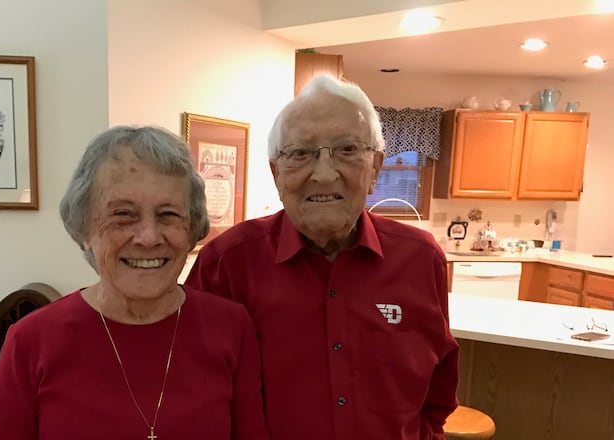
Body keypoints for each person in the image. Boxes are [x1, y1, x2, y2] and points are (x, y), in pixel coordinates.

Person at [186, 74, 459, 439]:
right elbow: (195, 394)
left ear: (376, 167)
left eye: (347, 150)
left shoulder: (422, 260)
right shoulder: (226, 264)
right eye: (300, 154)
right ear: (276, 173)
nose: (325, 174)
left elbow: (437, 395)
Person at [0, 126, 269, 440]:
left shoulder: (230, 328)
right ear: (84, 228)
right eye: (123, 214)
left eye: (168, 214)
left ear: (192, 229)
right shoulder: (30, 342)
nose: (148, 237)